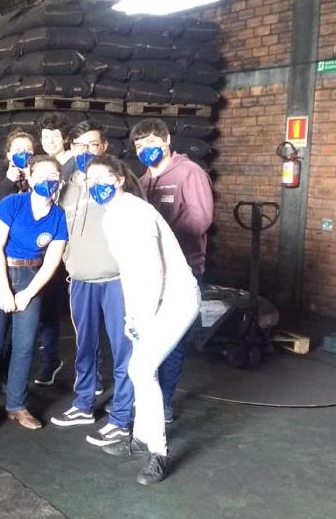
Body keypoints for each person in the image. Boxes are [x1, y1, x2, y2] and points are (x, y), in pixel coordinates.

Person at [87, 154, 200, 486]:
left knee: (140, 369)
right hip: (149, 301)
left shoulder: (138, 213)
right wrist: (131, 314)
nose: (96, 187)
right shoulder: (110, 217)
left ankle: (159, 453)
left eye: (102, 180)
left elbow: (153, 271)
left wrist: (144, 316)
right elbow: (128, 271)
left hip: (176, 298)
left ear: (119, 179)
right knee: (140, 369)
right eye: (89, 182)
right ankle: (139, 438)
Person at [51, 120, 138, 449]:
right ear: (71, 149)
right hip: (81, 280)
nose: (86, 151)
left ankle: (120, 417)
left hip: (116, 281)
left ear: (104, 148)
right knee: (84, 345)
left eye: (92, 145)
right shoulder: (66, 184)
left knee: (122, 348)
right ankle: (84, 404)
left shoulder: (119, 183)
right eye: (80, 146)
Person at [0, 156, 68, 437]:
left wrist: (27, 294)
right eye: (41, 174)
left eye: (53, 174)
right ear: (31, 177)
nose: (47, 179)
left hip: (31, 277)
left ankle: (16, 405)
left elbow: (51, 262)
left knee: (25, 345)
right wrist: (4, 289)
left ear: (60, 180)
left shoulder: (58, 215)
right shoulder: (12, 204)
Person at [132, 118, 213, 423]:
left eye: (152, 142)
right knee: (147, 338)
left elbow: (200, 221)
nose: (146, 150)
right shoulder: (141, 181)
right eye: (140, 146)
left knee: (172, 341)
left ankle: (163, 401)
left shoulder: (189, 173)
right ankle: (146, 397)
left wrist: (159, 234)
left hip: (181, 270)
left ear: (166, 140)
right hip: (149, 273)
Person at [32, 113, 75, 387]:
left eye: (54, 137)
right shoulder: (40, 166)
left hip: (67, 244)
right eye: (45, 137)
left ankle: (55, 361)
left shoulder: (74, 166)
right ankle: (50, 358)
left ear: (65, 138)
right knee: (44, 305)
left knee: (67, 309)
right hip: (42, 244)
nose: (49, 142)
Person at [0, 128, 36, 204]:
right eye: (17, 150)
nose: (23, 153)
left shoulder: (38, 171)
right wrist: (9, 180)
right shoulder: (1, 172)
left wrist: (29, 179)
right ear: (9, 155)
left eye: (28, 149)